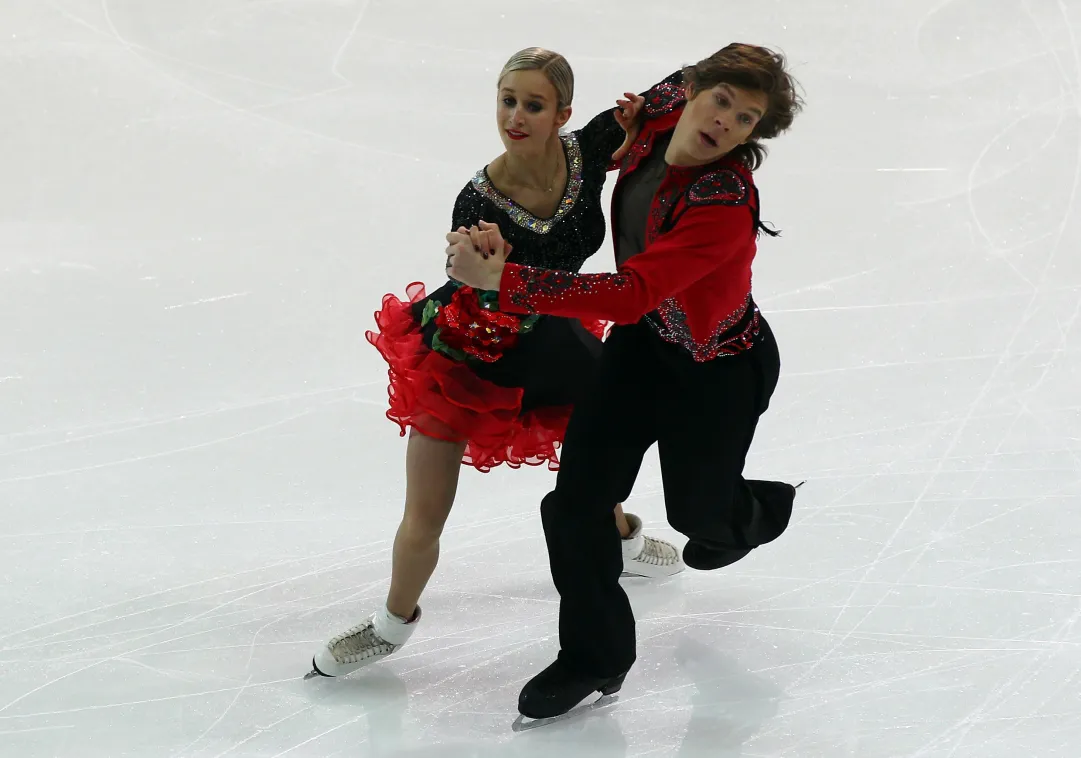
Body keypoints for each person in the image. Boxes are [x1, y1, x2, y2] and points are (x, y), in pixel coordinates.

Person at [446, 43, 805, 718]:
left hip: (718, 369)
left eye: (745, 118)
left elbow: (632, 291)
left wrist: (506, 281)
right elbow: (638, 105)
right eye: (720, 99)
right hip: (641, 354)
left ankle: (755, 513)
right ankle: (593, 657)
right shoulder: (667, 111)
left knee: (698, 519)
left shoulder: (722, 202)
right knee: (575, 506)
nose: (723, 121)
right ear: (696, 90)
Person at [306, 48, 685, 680]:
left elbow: (678, 91)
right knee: (426, 512)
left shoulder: (590, 148)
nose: (516, 115)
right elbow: (472, 278)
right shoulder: (477, 200)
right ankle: (390, 625)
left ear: (563, 113)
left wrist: (687, 95)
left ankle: (620, 542)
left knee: (597, 443)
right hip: (467, 351)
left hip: (554, 335)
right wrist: (477, 264)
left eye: (533, 104)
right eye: (507, 100)